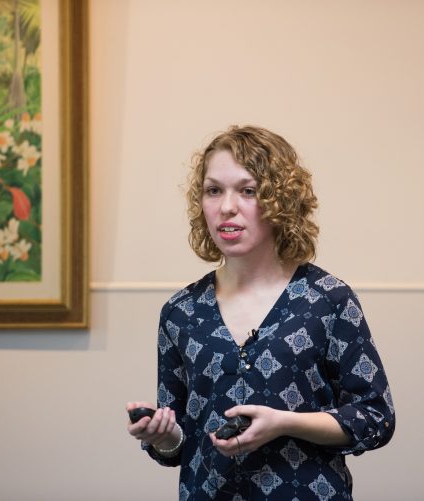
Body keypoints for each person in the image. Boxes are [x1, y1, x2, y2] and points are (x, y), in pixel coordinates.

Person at [126, 125, 395, 500]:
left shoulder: (328, 300)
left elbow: (375, 418)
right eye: (213, 190)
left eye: (248, 191)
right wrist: (165, 438)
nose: (226, 207)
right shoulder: (180, 313)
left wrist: (285, 423)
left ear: (279, 201)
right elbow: (177, 447)